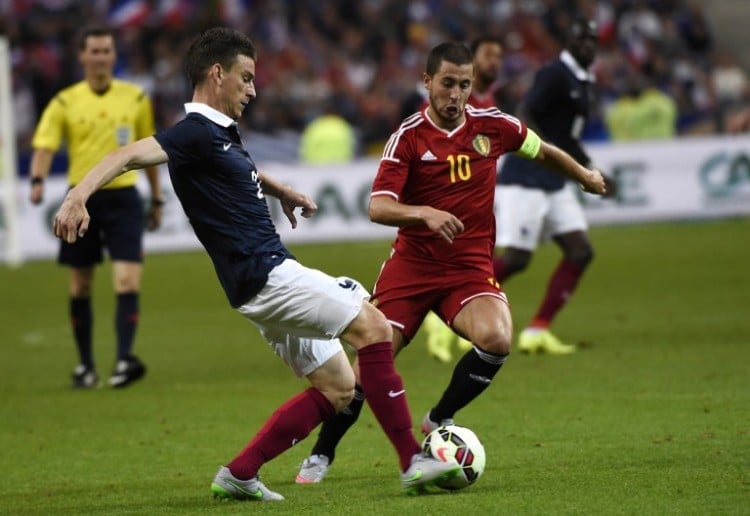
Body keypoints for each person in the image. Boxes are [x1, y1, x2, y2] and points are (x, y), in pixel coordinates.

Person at [52, 27, 459, 501]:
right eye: (246, 78)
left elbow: (240, 169)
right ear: (217, 73)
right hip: (267, 275)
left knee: (339, 388)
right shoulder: (193, 132)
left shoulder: (219, 134)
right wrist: (77, 195)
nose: (253, 89)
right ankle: (413, 461)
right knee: (373, 327)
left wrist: (279, 190)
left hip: (256, 285)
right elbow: (126, 155)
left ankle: (240, 473)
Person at [295, 41, 606, 484]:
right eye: (447, 84)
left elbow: (543, 150)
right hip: (412, 268)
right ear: (427, 82)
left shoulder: (494, 126)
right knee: (366, 367)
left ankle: (439, 418)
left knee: (497, 337)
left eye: (464, 84)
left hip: (468, 269)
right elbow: (378, 207)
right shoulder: (408, 137)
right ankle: (322, 453)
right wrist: (423, 212)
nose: (455, 94)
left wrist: (585, 176)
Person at [29, 25, 163, 388]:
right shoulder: (65, 101)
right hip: (81, 200)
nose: (101, 57)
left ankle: (123, 360)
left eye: (107, 51)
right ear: (82, 56)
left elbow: (147, 151)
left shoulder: (135, 98)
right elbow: (45, 144)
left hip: (124, 198)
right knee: (81, 285)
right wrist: (38, 180)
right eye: (95, 51)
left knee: (126, 279)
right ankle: (86, 365)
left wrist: (157, 197)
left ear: (114, 56)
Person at [492, 17, 613, 355]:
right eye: (582, 39)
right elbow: (525, 112)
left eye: (593, 39)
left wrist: (589, 169)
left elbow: (568, 138)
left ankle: (537, 329)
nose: (588, 45)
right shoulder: (555, 73)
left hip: (556, 182)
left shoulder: (583, 80)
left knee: (580, 251)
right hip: (527, 178)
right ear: (569, 43)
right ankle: (453, 301)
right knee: (516, 259)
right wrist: (542, 153)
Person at [423, 35, 505, 363]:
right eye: (489, 54)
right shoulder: (440, 110)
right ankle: (438, 320)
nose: (495, 62)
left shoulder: (489, 107)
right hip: (439, 236)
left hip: (476, 226)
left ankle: (450, 321)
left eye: (499, 55)